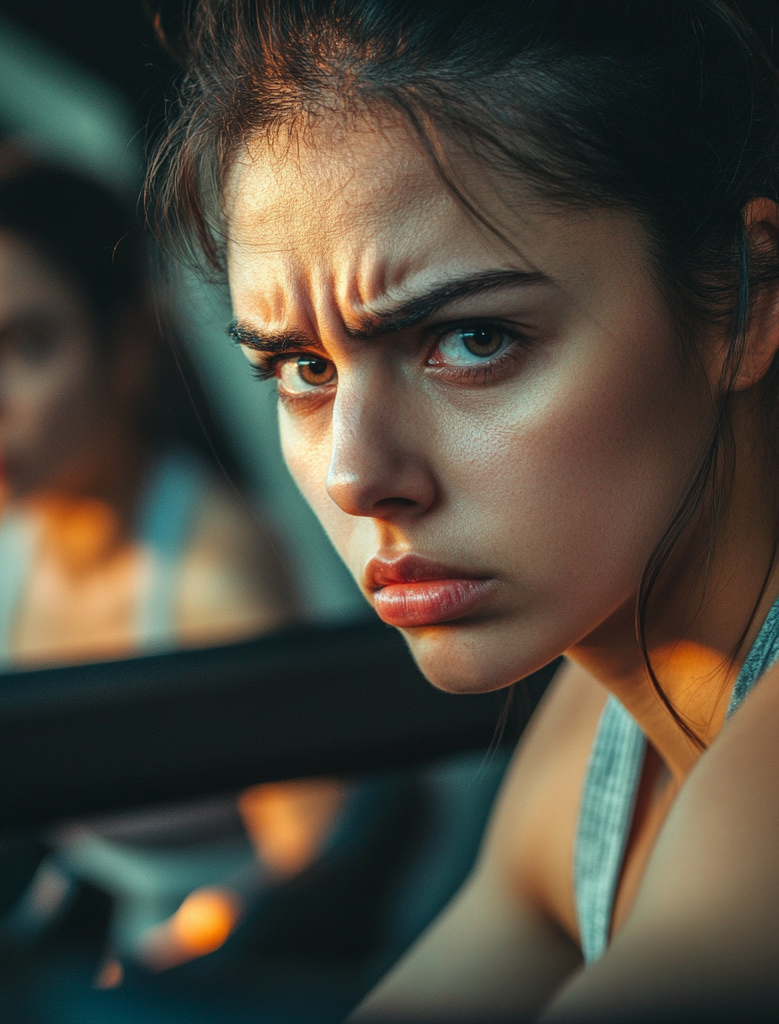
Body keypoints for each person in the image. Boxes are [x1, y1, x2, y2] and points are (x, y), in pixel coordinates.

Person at [149, 0, 779, 1018]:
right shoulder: (611, 708)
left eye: (473, 340)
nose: (355, 475)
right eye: (302, 368)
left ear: (748, 298)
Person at [0, 146, 346, 970]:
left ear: (126, 346)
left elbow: (319, 875)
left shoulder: (212, 579)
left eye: (21, 344)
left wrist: (181, 953)